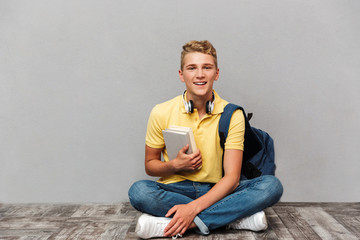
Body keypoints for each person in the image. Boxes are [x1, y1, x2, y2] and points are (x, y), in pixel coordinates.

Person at [128, 40, 283, 239]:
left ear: (216, 73)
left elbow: (232, 178)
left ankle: (181, 223)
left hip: (219, 190)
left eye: (207, 67)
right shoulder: (161, 112)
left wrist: (192, 209)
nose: (200, 74)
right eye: (192, 68)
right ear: (181, 74)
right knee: (139, 191)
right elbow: (150, 166)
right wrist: (175, 165)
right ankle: (233, 218)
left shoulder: (233, 114)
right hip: (176, 188)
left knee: (271, 186)